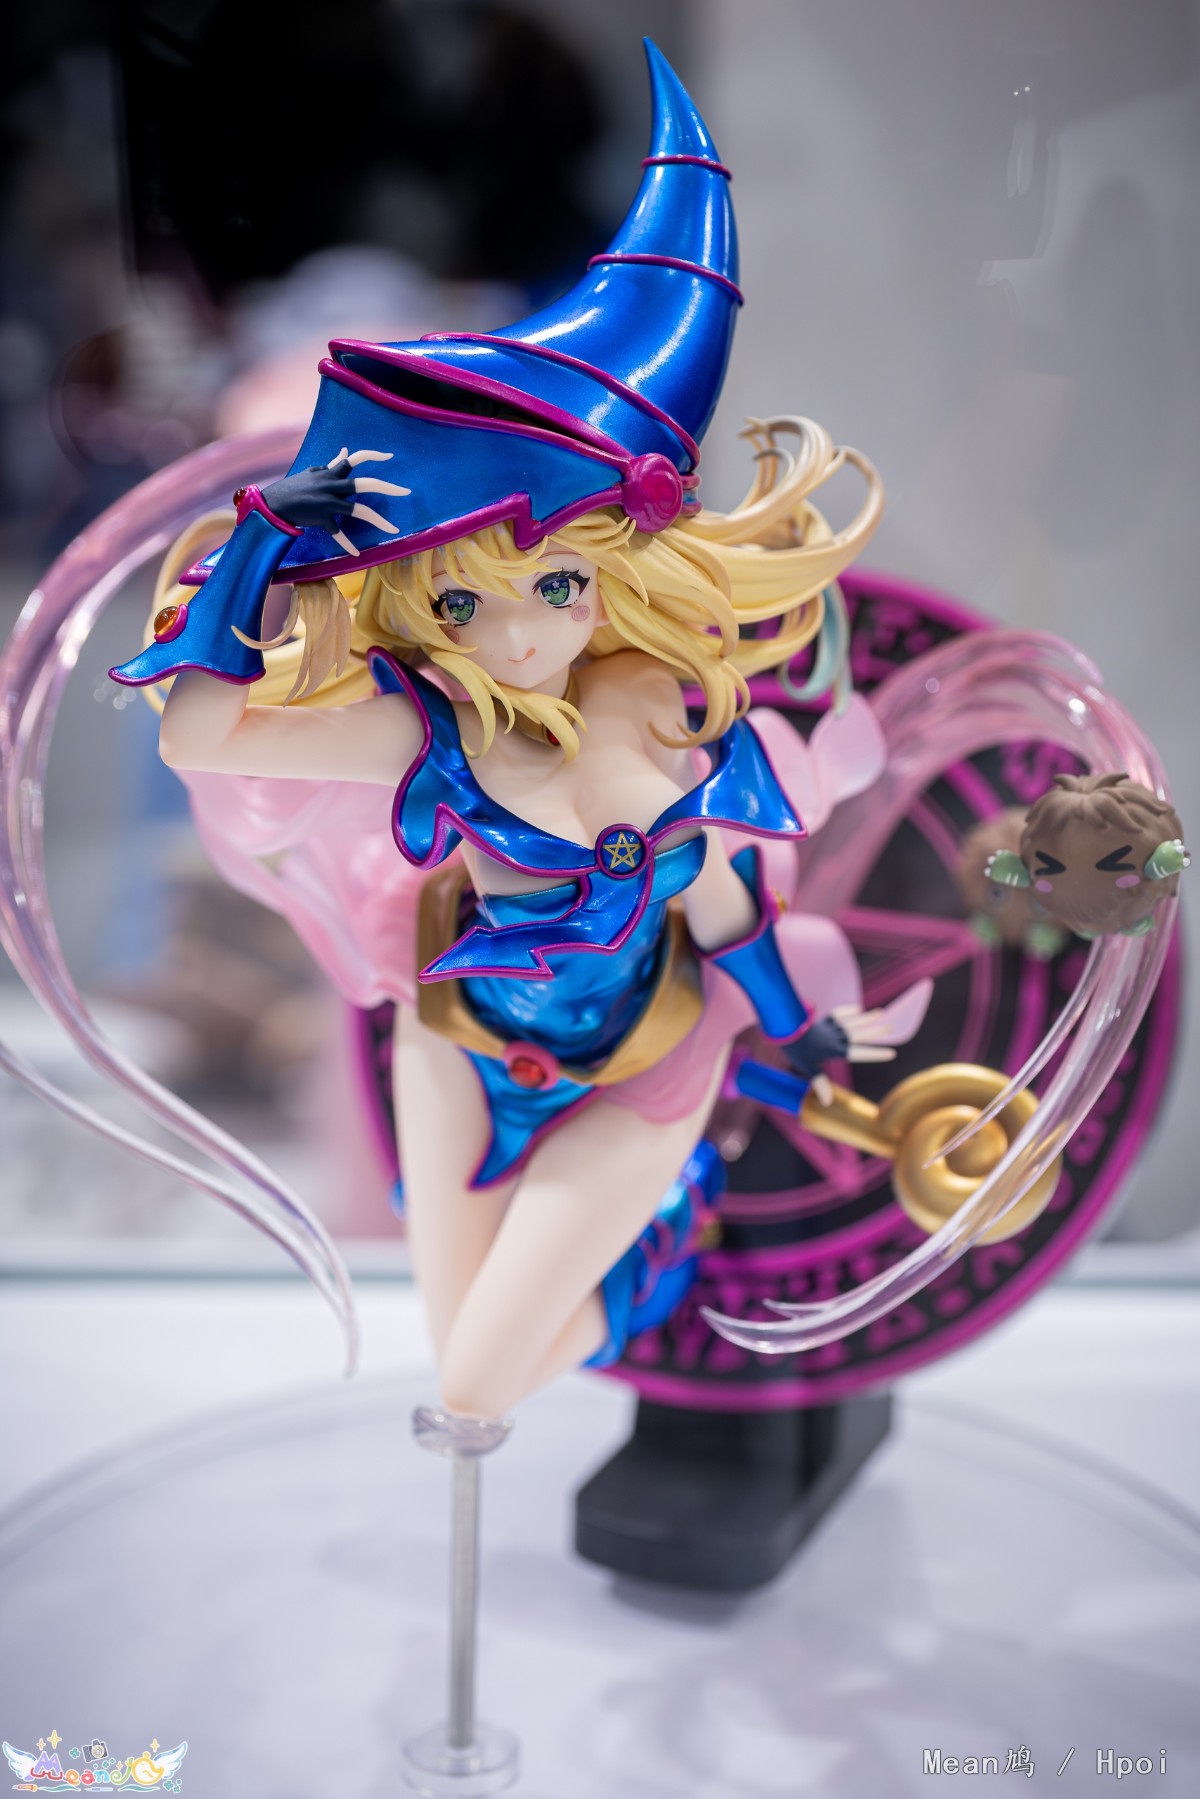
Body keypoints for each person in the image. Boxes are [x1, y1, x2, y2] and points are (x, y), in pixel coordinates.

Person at [107, 45, 927, 1422]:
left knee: (474, 1387)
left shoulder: (682, 740)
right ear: (418, 608)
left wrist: (800, 1040)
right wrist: (259, 548)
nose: (522, 632)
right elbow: (198, 738)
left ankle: (656, 1260)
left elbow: (730, 922)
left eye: (553, 586)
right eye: (462, 601)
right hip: (456, 1042)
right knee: (451, 1356)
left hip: (647, 1064)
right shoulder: (424, 731)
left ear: (612, 570)